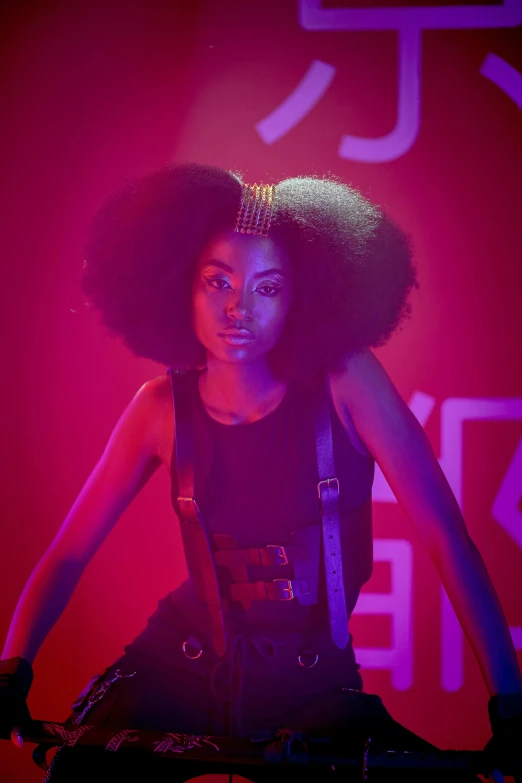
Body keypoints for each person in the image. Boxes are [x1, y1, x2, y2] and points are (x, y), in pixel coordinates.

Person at [1, 162, 521, 782]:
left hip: (313, 689)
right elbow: (67, 554)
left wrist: (510, 706)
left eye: (268, 288)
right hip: (177, 669)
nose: (238, 308)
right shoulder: (158, 409)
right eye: (216, 281)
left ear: (303, 297)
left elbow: (446, 537)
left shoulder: (347, 382)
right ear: (179, 287)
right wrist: (12, 673)